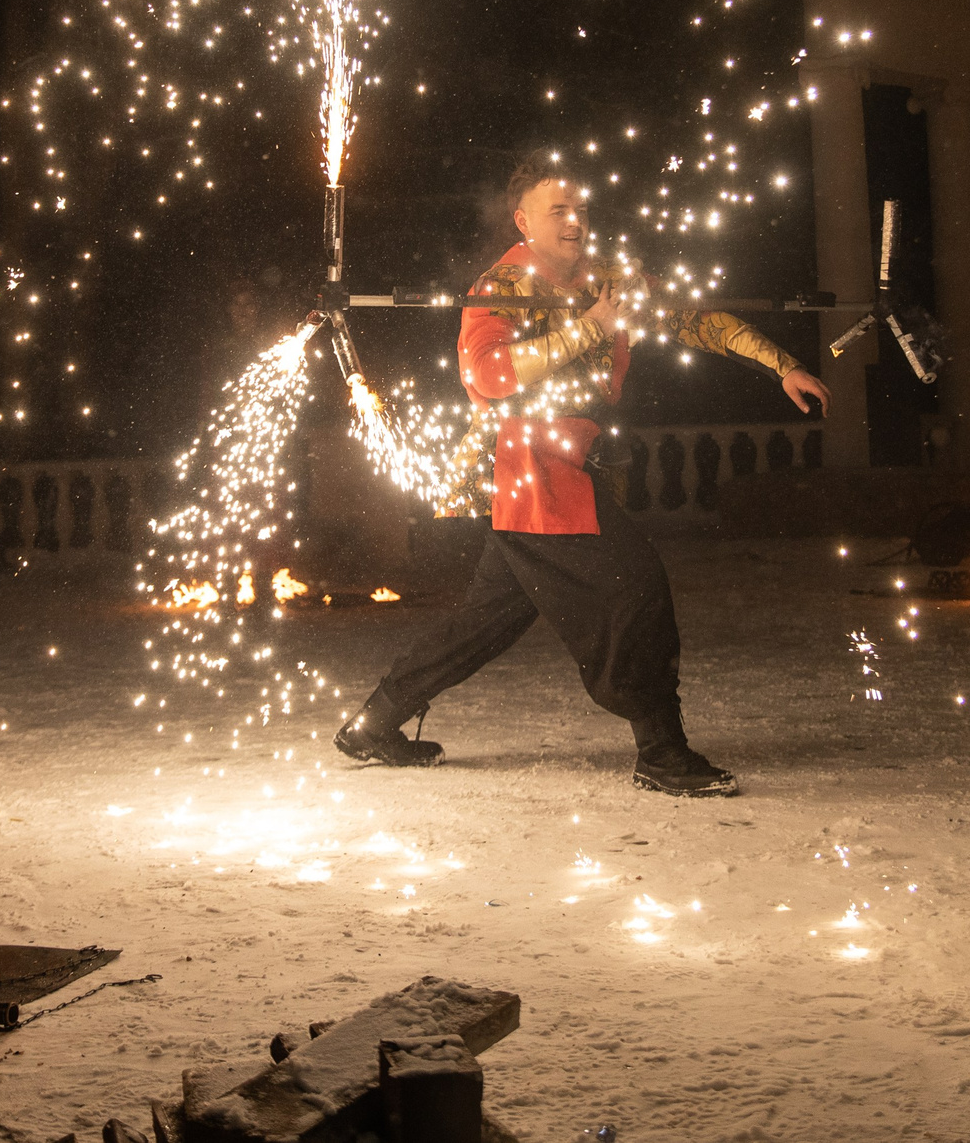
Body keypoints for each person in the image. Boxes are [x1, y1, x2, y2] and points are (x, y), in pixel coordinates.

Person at [333, 156, 832, 796]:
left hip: (565, 463)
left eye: (581, 209)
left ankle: (374, 722)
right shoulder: (499, 285)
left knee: (484, 623)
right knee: (636, 588)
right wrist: (587, 328)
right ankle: (661, 751)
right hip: (528, 468)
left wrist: (781, 365)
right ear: (523, 220)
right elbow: (486, 376)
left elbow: (694, 317)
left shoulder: (609, 279)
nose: (575, 222)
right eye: (557, 211)